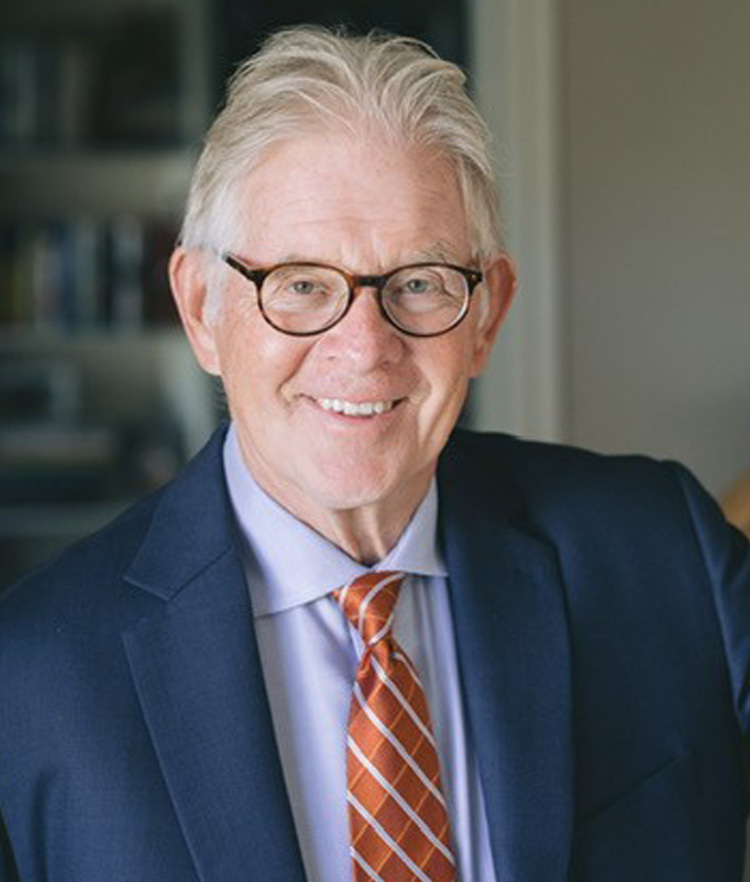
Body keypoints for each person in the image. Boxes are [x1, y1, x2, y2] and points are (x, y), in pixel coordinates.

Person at [1, 25, 749, 882]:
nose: (363, 348)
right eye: (302, 285)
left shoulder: (665, 551)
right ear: (203, 308)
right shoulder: (30, 678)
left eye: (420, 282)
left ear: (488, 315)